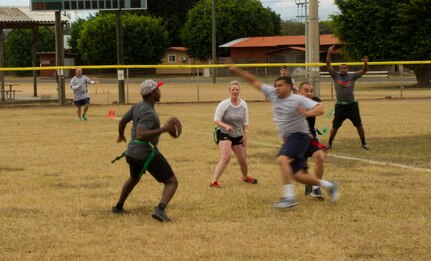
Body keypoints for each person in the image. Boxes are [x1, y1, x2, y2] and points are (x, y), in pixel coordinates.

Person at [229, 65, 339, 208]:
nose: (277, 88)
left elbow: (320, 108)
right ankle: (330, 186)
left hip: (299, 136)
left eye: (280, 85)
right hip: (290, 139)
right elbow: (253, 81)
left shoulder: (298, 99)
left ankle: (289, 198)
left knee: (282, 159)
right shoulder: (274, 93)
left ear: (289, 86)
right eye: (276, 85)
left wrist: (307, 113)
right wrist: (237, 70)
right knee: (298, 175)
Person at [112, 80, 179, 222]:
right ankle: (160, 210)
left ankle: (118, 207)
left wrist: (121, 135)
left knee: (134, 178)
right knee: (172, 182)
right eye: (157, 89)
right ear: (151, 94)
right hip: (145, 152)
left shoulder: (137, 107)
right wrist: (164, 129)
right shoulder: (149, 113)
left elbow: (122, 122)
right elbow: (141, 134)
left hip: (132, 152)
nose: (160, 91)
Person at [210, 80, 257, 188]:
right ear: (229, 91)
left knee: (243, 160)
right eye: (233, 89)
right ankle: (214, 181)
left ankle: (245, 177)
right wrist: (226, 126)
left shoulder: (244, 104)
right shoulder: (224, 104)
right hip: (224, 133)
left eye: (237, 89)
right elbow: (216, 120)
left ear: (240, 90)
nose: (235, 91)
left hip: (237, 134)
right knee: (226, 157)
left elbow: (245, 121)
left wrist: (245, 134)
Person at [326, 45, 369, 150]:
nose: (342, 69)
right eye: (340, 68)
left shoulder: (352, 76)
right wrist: (328, 52)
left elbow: (363, 71)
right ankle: (329, 144)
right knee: (335, 126)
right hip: (340, 106)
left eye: (344, 68)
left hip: (352, 106)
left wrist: (365, 63)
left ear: (347, 69)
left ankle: (364, 143)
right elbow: (328, 65)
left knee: (359, 125)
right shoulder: (335, 75)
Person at [298, 82, 327, 199]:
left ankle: (316, 187)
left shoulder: (314, 99)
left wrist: (306, 113)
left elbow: (321, 110)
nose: (309, 93)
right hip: (297, 138)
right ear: (300, 92)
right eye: (306, 90)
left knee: (320, 157)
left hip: (311, 136)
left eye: (311, 90)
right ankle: (308, 184)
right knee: (302, 166)